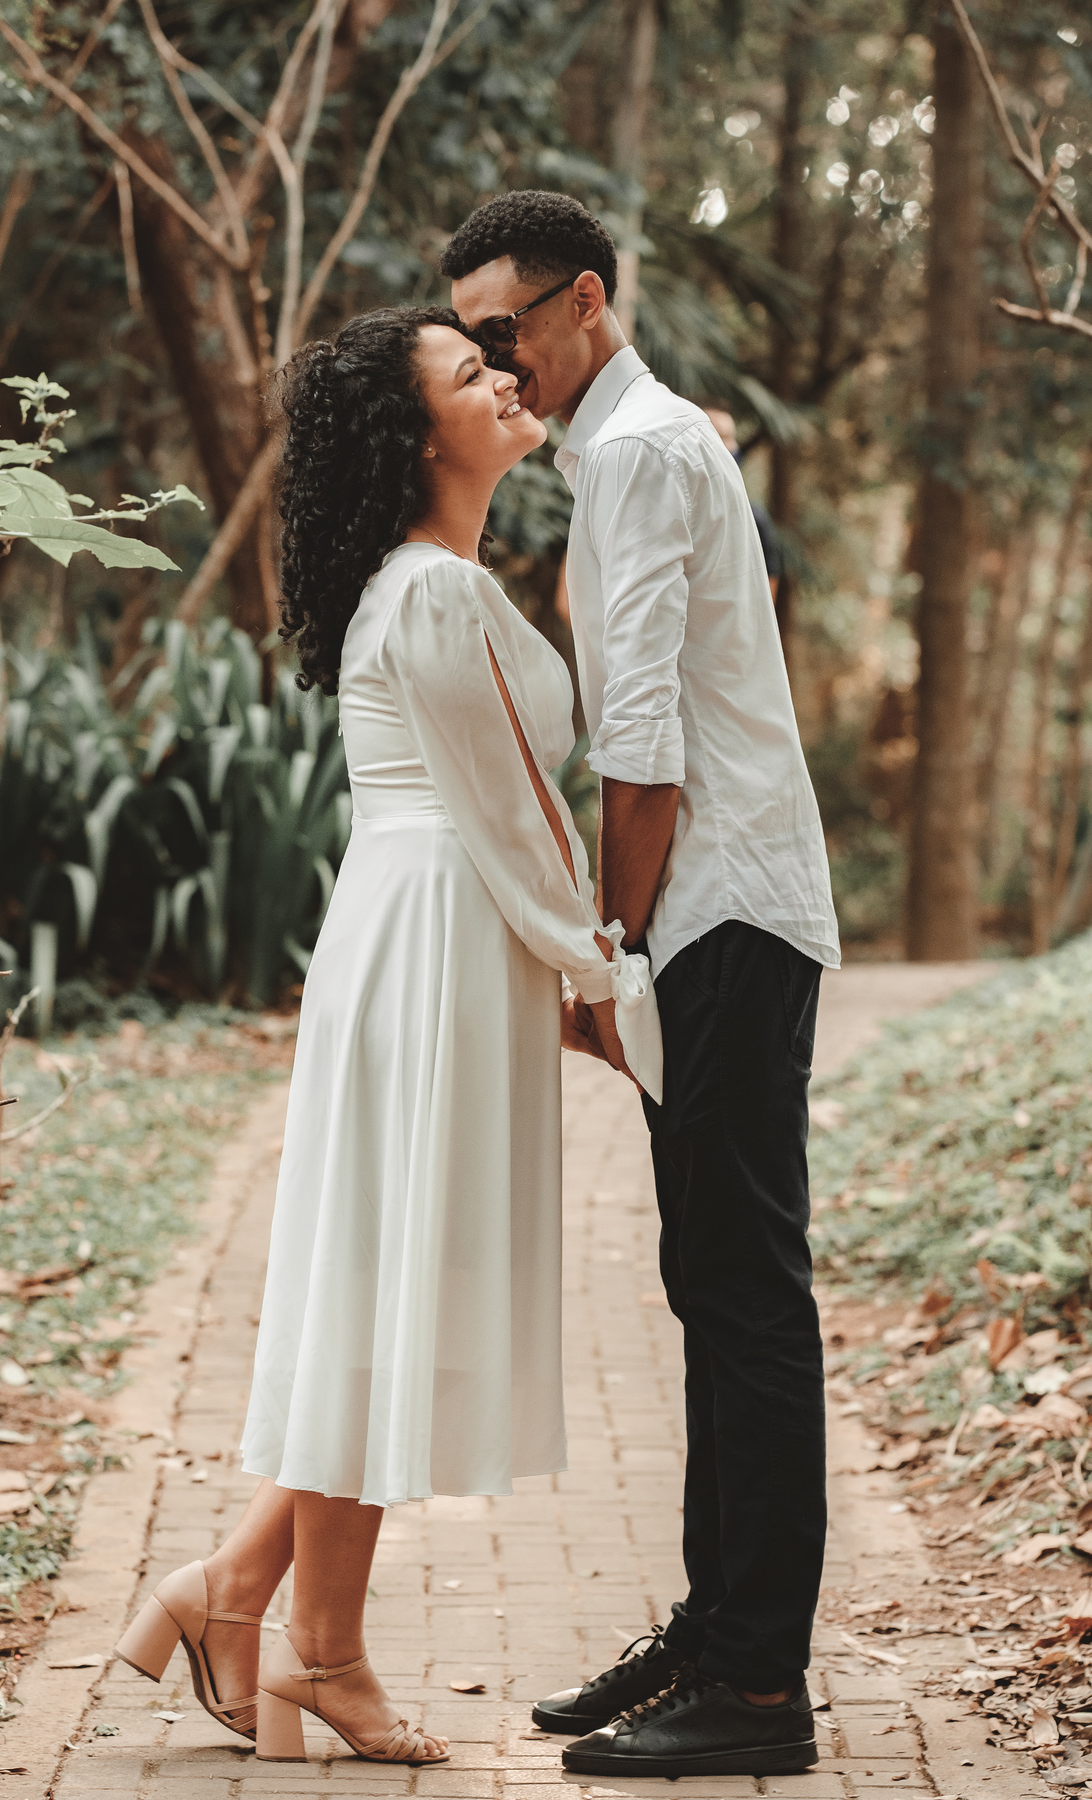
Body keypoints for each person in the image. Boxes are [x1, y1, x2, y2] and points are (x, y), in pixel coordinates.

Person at [112, 305, 661, 1767]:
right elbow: (518, 814)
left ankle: (243, 1599)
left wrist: (561, 963)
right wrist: (597, 970)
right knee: (392, 1289)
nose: (506, 378)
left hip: (432, 931)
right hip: (435, 936)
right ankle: (310, 1647)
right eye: (472, 374)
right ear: (425, 434)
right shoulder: (430, 595)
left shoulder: (442, 583)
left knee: (392, 1294)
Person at [443, 191, 840, 1780]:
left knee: (746, 1291)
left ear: (585, 303)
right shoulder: (630, 452)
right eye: (472, 339)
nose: (495, 362)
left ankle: (758, 1690)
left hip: (723, 912)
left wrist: (603, 954)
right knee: (711, 1284)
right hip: (718, 917)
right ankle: (719, 1623)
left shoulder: (645, 453)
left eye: (504, 331)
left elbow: (648, 750)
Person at [700, 406, 783, 603]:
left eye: (731, 437)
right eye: (720, 435)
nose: (731, 447)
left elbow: (767, 595)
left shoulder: (754, 519)